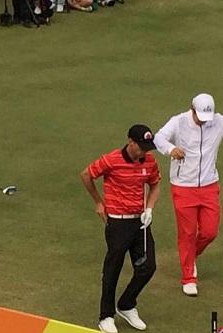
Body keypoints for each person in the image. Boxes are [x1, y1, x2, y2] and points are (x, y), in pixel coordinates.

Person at [80, 124, 161, 333]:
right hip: (117, 222)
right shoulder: (112, 160)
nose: (144, 151)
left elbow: (155, 184)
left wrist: (150, 209)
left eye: (147, 147)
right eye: (141, 146)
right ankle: (105, 316)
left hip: (140, 222)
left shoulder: (149, 161)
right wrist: (99, 202)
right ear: (130, 142)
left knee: (148, 267)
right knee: (113, 269)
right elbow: (86, 175)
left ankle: (126, 305)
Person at [153, 93, 221, 297]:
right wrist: (171, 149)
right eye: (199, 115)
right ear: (192, 109)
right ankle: (188, 277)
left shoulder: (218, 121)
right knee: (187, 233)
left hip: (209, 185)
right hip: (183, 186)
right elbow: (158, 138)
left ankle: (190, 257)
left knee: (210, 232)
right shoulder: (179, 122)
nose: (203, 120)